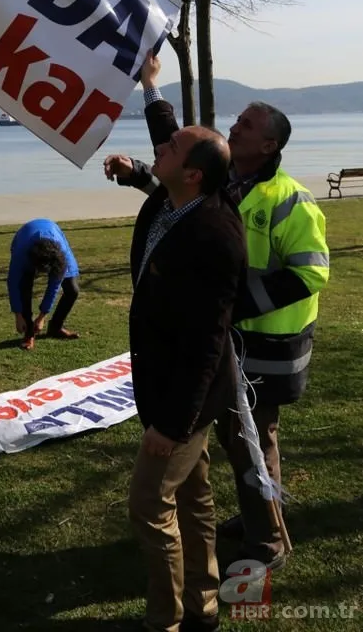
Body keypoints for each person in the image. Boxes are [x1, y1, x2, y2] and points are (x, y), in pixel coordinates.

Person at [105, 53, 329, 571]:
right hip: (226, 342)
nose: (234, 125)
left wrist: (231, 306)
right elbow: (180, 183)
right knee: (226, 441)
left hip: (267, 351)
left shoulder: (289, 200)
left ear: (269, 144)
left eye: (246, 125)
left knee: (252, 444)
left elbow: (311, 273)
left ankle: (267, 541)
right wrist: (143, 151)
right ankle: (253, 519)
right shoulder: (227, 186)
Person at [119, 119, 246, 632]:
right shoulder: (168, 204)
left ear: (193, 174)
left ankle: (165, 621)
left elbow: (207, 343)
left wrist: (172, 424)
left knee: (149, 504)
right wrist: (151, 90)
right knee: (193, 498)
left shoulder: (215, 235)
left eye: (170, 149)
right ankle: (203, 604)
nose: (159, 150)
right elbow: (170, 151)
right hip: (163, 384)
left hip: (183, 401)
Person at [7, 219, 81, 350]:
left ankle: (55, 328)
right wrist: (18, 315)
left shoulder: (60, 254)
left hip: (56, 238)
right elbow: (13, 283)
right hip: (25, 238)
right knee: (24, 285)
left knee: (72, 289)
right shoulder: (21, 254)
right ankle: (29, 332)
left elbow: (54, 286)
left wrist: (42, 316)